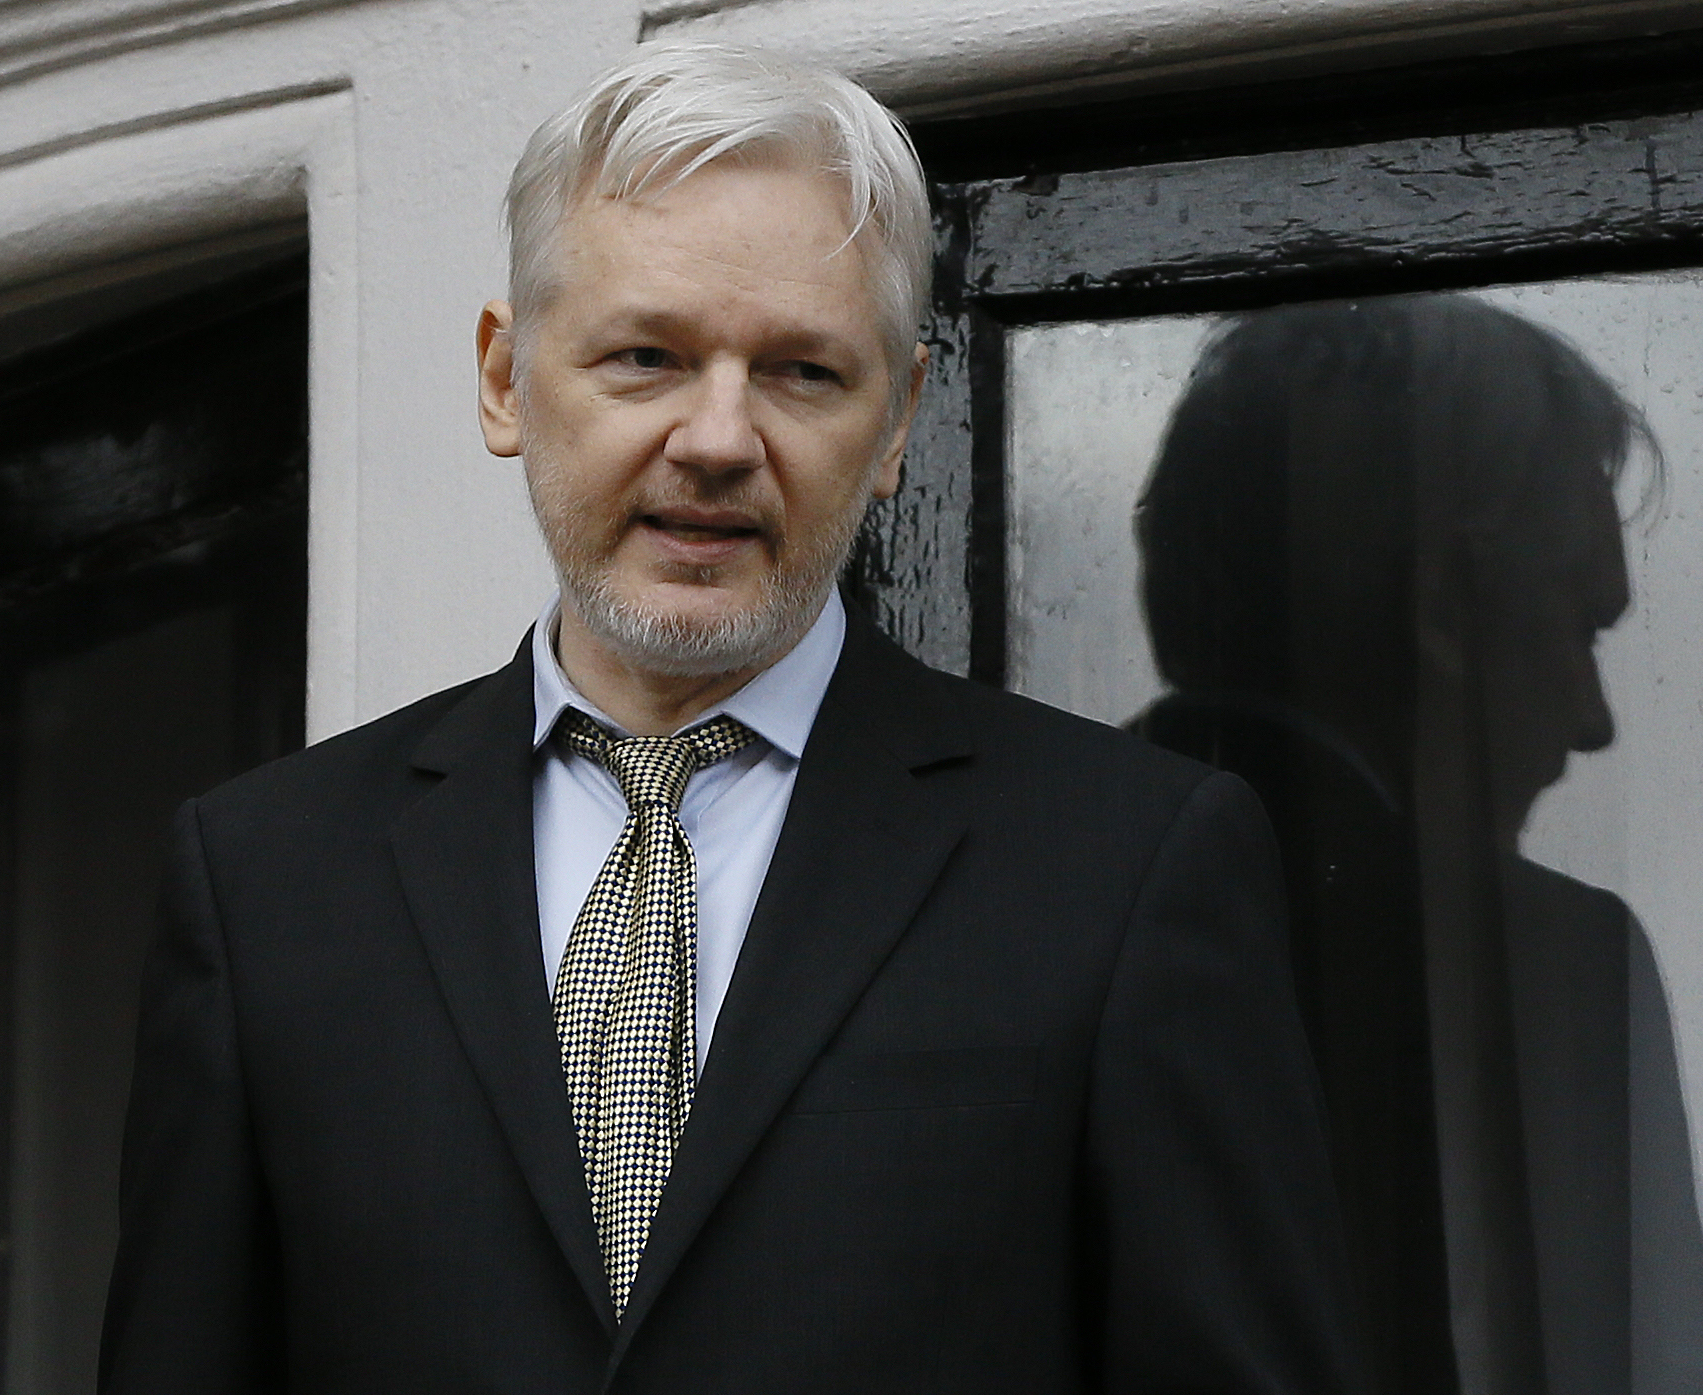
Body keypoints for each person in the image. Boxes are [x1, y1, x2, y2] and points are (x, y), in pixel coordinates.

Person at [100, 43, 1358, 1393]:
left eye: (803, 374)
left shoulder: (1125, 869)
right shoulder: (266, 882)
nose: (717, 437)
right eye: (646, 355)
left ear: (897, 426)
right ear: (506, 379)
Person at [1132, 294, 1703, 1395]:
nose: (1594, 720)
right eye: (1578, 628)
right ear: (1444, 606)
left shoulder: (1006, 890)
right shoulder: (1560, 962)